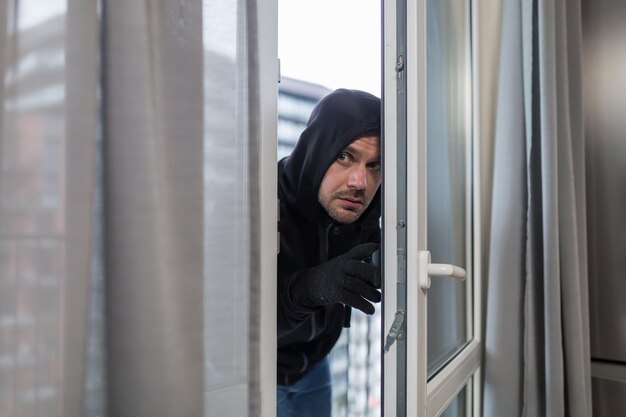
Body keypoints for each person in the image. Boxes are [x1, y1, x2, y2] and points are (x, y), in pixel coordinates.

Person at [277, 88, 382, 417]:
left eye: (375, 165)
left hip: (315, 367)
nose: (360, 182)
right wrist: (310, 288)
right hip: (253, 370)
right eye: (345, 157)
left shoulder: (367, 212)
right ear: (317, 150)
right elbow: (234, 324)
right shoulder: (259, 202)